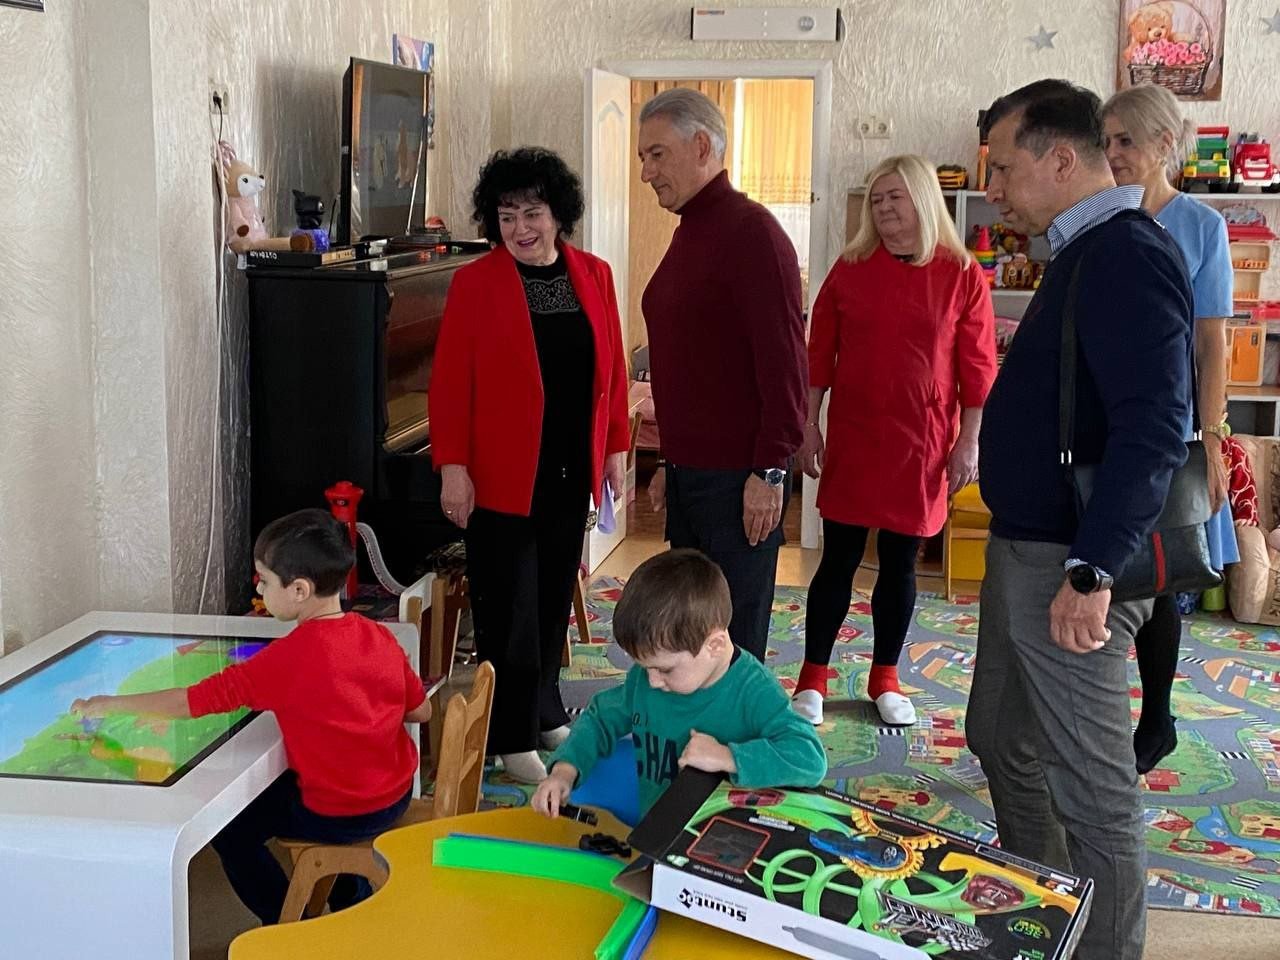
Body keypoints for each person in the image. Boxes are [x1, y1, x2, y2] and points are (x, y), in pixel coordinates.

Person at [969, 80, 1194, 960]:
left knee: (1094, 791)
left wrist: (1093, 567)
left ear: (1061, 159)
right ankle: (1049, 914)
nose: (992, 188)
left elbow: (1155, 425)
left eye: (1003, 167)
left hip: (1070, 561)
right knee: (1000, 736)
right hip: (1028, 547)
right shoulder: (1083, 250)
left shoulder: (1124, 253)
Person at [71, 509, 430, 926]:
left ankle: (285, 921)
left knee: (232, 831)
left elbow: (191, 701)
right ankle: (349, 899)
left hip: (340, 812)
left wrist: (109, 704)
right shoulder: (379, 635)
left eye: (264, 581)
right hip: (394, 794)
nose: (257, 588)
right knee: (284, 785)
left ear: (299, 589)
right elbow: (420, 711)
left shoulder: (286, 660)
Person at [429, 147, 632, 784]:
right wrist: (453, 467)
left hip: (569, 469)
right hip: (500, 477)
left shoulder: (594, 275)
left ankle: (544, 711)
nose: (521, 227)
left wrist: (616, 448)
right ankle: (509, 734)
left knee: (549, 600)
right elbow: (449, 384)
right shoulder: (476, 283)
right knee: (508, 608)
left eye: (533, 212)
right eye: (507, 215)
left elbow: (611, 373)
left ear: (557, 214)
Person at [791, 154, 996, 728]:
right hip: (855, 436)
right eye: (877, 200)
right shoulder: (851, 268)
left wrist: (970, 441)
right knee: (838, 558)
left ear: (923, 200)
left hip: (922, 441)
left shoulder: (961, 273)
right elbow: (818, 353)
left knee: (901, 562)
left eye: (895, 197)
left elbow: (978, 366)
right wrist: (808, 423)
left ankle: (885, 677)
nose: (883, 209)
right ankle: (812, 678)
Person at [638, 88, 808, 661]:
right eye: (643, 157)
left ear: (701, 146)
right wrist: (670, 461)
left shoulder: (751, 233)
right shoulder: (692, 227)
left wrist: (770, 471)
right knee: (693, 635)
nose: (646, 173)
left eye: (656, 154)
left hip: (739, 479)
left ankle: (738, 724)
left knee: (731, 642)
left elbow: (785, 367)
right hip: (693, 476)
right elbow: (694, 361)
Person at [1100, 83, 1238, 774]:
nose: (1112, 153)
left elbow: (1212, 343)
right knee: (1096, 568)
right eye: (1106, 140)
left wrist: (1212, 438)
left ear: (1163, 145)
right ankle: (1092, 714)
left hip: (1170, 428)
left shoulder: (1201, 227)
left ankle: (1156, 716)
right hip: (1099, 422)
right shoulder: (1096, 217)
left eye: (1125, 140)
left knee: (1158, 573)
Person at [530, 549, 826, 818]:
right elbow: (599, 719)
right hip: (654, 830)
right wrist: (564, 772)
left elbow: (810, 758)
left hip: (720, 843)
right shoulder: (648, 678)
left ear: (714, 645)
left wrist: (728, 757)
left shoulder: (755, 691)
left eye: (665, 669)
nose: (651, 680)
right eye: (644, 667)